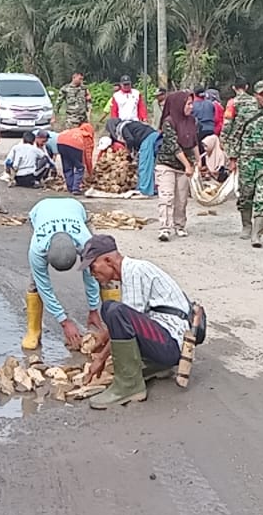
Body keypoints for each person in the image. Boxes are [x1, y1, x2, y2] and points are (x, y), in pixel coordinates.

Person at [79, 234, 204, 410]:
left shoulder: (135, 271)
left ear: (108, 260)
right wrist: (104, 337)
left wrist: (101, 358)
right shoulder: (131, 271)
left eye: (93, 267)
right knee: (110, 310)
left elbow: (127, 318)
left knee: (113, 310)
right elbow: (132, 316)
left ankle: (129, 386)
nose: (92, 274)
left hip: (171, 345)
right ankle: (158, 366)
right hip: (166, 338)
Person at [22, 197, 106, 351]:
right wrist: (64, 321)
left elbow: (90, 275)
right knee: (34, 282)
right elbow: (44, 287)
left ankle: (109, 325)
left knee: (102, 270)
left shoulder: (85, 242)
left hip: (74, 208)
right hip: (41, 209)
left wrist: (94, 309)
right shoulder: (37, 249)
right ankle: (33, 330)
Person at [224, 81, 263, 246]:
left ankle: (257, 234)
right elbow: (235, 135)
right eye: (262, 94)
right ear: (255, 95)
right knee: (246, 194)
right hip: (247, 160)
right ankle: (246, 226)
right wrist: (233, 158)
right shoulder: (245, 112)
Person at [155, 91, 198, 242]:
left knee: (182, 199)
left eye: (192, 103)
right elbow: (174, 146)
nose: (191, 107)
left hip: (184, 167)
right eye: (188, 104)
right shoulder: (169, 122)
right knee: (167, 197)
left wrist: (198, 162)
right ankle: (164, 228)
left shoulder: (192, 121)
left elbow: (193, 143)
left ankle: (179, 225)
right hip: (166, 164)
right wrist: (188, 165)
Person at [104, 117, 160, 197]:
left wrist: (129, 151)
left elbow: (130, 139)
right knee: (151, 165)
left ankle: (144, 190)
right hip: (153, 135)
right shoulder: (128, 123)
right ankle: (151, 188)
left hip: (147, 139)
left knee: (144, 166)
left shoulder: (122, 127)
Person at [56, 122, 95, 195]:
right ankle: (76, 188)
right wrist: (90, 172)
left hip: (60, 142)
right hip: (74, 144)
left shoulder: (74, 130)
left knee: (67, 166)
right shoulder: (87, 135)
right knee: (79, 167)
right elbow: (88, 155)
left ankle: (70, 187)